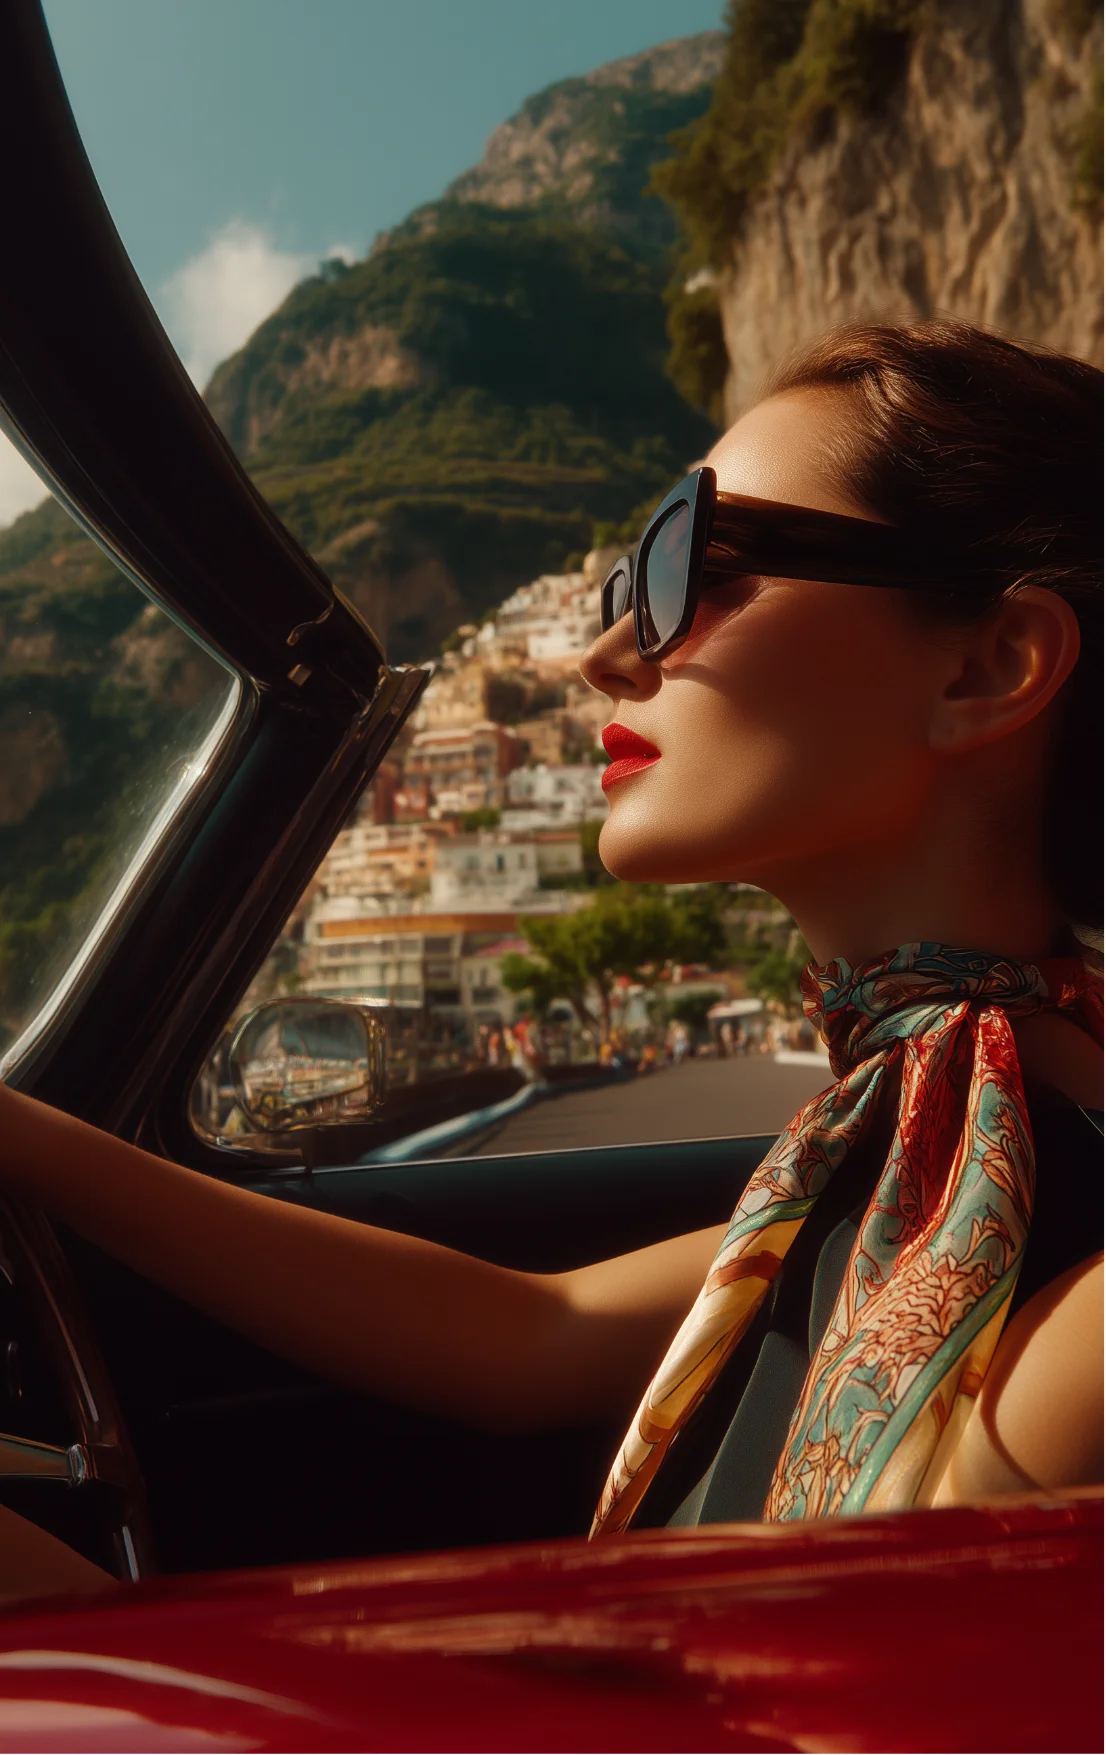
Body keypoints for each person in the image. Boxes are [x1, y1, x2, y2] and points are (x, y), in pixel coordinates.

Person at [0, 322, 1100, 1554]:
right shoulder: (898, 1150)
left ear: (992, 665)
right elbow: (528, 1334)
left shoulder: (1048, 1269)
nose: (603, 655)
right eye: (621, 591)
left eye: (694, 564)